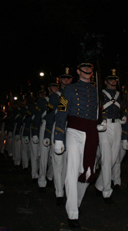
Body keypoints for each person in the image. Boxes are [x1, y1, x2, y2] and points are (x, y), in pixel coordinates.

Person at [54, 63, 103, 229]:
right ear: (78, 71)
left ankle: (76, 203)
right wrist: (58, 137)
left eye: (90, 68)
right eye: (84, 68)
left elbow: (97, 112)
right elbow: (61, 112)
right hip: (74, 130)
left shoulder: (96, 90)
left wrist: (99, 124)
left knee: (88, 171)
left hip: (90, 132)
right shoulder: (69, 89)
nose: (88, 70)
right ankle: (72, 212)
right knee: (72, 170)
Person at [95, 69, 124, 204]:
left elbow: (123, 109)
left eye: (115, 80)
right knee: (107, 158)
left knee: (112, 158)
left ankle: (99, 184)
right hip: (104, 126)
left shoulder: (120, 94)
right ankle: (106, 191)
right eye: (111, 80)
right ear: (105, 82)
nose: (114, 82)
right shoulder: (99, 94)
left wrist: (124, 116)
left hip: (117, 125)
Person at [50, 70, 73, 205]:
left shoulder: (75, 93)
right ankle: (59, 192)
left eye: (69, 78)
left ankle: (66, 188)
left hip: (71, 128)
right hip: (58, 127)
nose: (66, 81)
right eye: (64, 78)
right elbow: (50, 116)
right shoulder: (55, 97)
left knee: (69, 162)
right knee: (58, 161)